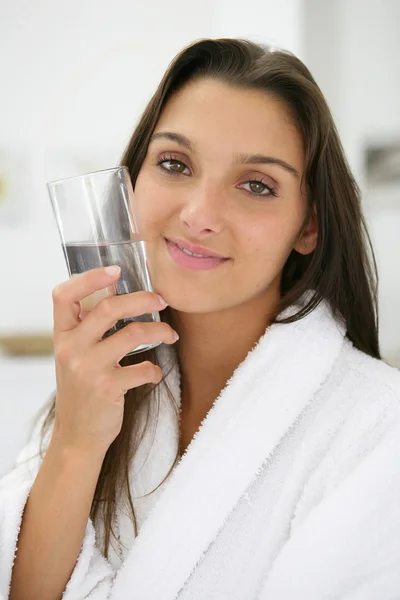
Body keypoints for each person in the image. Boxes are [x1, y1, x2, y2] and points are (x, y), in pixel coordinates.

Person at [2, 37, 400, 600]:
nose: (199, 215)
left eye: (256, 185)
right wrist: (74, 441)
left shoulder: (380, 433)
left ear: (308, 226)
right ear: (131, 183)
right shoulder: (97, 393)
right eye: (174, 164)